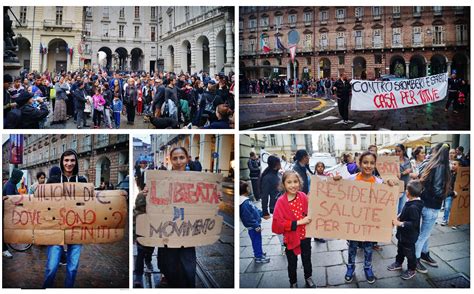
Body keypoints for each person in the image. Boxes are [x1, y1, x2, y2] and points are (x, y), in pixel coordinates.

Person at [334, 151, 395, 284]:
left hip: (370, 222)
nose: (368, 165)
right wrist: (336, 181)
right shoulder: (351, 180)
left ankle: (368, 268)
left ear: (375, 165)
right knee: (353, 246)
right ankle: (350, 267)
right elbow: (339, 194)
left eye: (372, 163)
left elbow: (386, 201)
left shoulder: (379, 182)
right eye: (365, 162)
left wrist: (390, 185)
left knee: (368, 247)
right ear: (360, 163)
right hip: (354, 221)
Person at [43, 149, 87, 288]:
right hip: (56, 228)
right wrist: (12, 200)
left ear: (76, 162)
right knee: (52, 267)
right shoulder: (53, 180)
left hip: (76, 228)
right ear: (62, 162)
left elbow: (92, 199)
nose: (69, 163)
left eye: (72, 160)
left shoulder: (82, 180)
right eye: (66, 160)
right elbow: (40, 200)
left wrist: (118, 194)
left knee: (73, 268)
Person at [158, 147, 197, 287]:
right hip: (168, 231)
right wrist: (146, 194)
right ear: (170, 160)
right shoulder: (162, 179)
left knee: (189, 268)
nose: (179, 161)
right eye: (175, 158)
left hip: (188, 231)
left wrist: (214, 198)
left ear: (187, 158)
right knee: (171, 268)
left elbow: (203, 202)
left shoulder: (196, 179)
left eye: (182, 157)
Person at [272, 170, 315, 288]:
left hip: (305, 236)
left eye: (295, 181)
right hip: (290, 239)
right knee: (292, 262)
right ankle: (293, 282)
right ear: (284, 184)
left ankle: (308, 277)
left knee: (307, 258)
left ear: (299, 183)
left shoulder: (302, 196)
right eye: (289, 182)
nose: (293, 185)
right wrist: (300, 222)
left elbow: (312, 209)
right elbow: (279, 224)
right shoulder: (281, 202)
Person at [415, 144, 451, 274]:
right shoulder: (440, 166)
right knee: (423, 235)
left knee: (425, 234)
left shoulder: (429, 163)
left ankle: (424, 254)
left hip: (424, 203)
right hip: (431, 206)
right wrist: (449, 194)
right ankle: (415, 260)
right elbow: (437, 189)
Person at [387, 180, 424, 280]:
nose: (406, 191)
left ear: (408, 193)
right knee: (400, 250)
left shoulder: (413, 207)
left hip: (409, 237)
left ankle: (412, 269)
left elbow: (413, 224)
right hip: (403, 235)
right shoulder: (410, 202)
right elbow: (404, 213)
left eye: (407, 189)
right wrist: (399, 216)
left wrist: (400, 223)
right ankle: (398, 263)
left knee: (410, 254)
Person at [239, 181, 270, 264]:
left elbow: (254, 210)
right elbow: (248, 217)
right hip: (253, 226)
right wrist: (256, 226)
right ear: (245, 190)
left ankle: (259, 252)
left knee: (257, 240)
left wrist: (262, 214)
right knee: (256, 241)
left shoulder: (246, 201)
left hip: (254, 225)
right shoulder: (244, 203)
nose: (249, 189)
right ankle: (258, 257)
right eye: (248, 187)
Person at [2, 168, 23, 259]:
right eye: (19, 177)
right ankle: (4, 250)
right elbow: (11, 200)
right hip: (4, 213)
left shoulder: (12, 184)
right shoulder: (10, 185)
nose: (20, 179)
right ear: (16, 177)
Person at [440, 159, 461, 226]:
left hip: (457, 193)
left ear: (459, 166)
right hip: (449, 193)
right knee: (447, 207)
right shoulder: (449, 173)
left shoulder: (460, 175)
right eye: (452, 164)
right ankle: (445, 220)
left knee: (455, 208)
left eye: (455, 164)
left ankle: (455, 221)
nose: (452, 166)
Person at [396, 144, 413, 214]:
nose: (397, 153)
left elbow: (410, 170)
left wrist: (402, 173)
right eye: (396, 151)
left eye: (399, 151)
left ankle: (398, 222)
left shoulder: (407, 160)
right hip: (397, 186)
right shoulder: (393, 160)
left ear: (403, 151)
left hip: (406, 185)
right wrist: (405, 172)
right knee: (395, 207)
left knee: (402, 207)